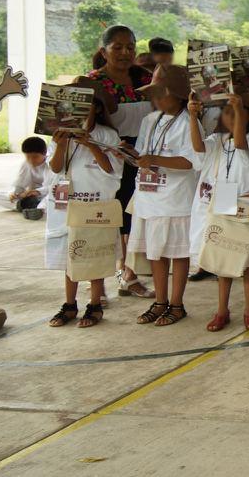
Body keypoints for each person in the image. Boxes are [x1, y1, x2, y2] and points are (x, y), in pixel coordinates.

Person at [43, 77, 121, 328]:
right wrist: (61, 143)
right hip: (68, 205)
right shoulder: (59, 135)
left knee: (93, 255)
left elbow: (112, 170)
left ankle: (95, 304)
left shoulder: (107, 134)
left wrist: (92, 146)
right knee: (70, 255)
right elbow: (55, 168)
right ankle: (69, 304)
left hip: (95, 204)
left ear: (96, 107)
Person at [188, 92, 249, 333]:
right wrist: (193, 116)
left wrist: (238, 108)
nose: (232, 117)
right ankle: (222, 309)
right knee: (223, 257)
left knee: (248, 262)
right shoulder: (216, 140)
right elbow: (197, 146)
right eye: (228, 113)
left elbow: (240, 143)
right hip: (222, 199)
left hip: (245, 201)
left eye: (239, 114)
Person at [130, 65, 201, 327]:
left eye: (161, 92)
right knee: (155, 253)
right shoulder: (151, 120)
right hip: (149, 198)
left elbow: (193, 161)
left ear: (178, 94)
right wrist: (128, 154)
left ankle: (177, 303)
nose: (156, 98)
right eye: (154, 93)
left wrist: (155, 159)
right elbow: (141, 154)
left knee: (178, 253)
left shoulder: (188, 122)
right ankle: (160, 301)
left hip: (176, 199)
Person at [88, 25, 154, 299]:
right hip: (108, 156)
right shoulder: (92, 82)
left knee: (133, 214)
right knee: (106, 215)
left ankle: (129, 273)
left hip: (142, 153)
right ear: (104, 51)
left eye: (130, 46)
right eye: (118, 47)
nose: (125, 52)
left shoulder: (145, 78)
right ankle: (97, 279)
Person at [0, 136, 47, 219]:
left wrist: (37, 191)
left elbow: (52, 186)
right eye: (28, 157)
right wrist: (15, 193)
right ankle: (30, 207)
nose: (31, 160)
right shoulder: (26, 164)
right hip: (28, 197)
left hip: (44, 195)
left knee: (51, 201)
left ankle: (35, 207)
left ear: (44, 153)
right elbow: (20, 182)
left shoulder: (51, 165)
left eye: (35, 157)